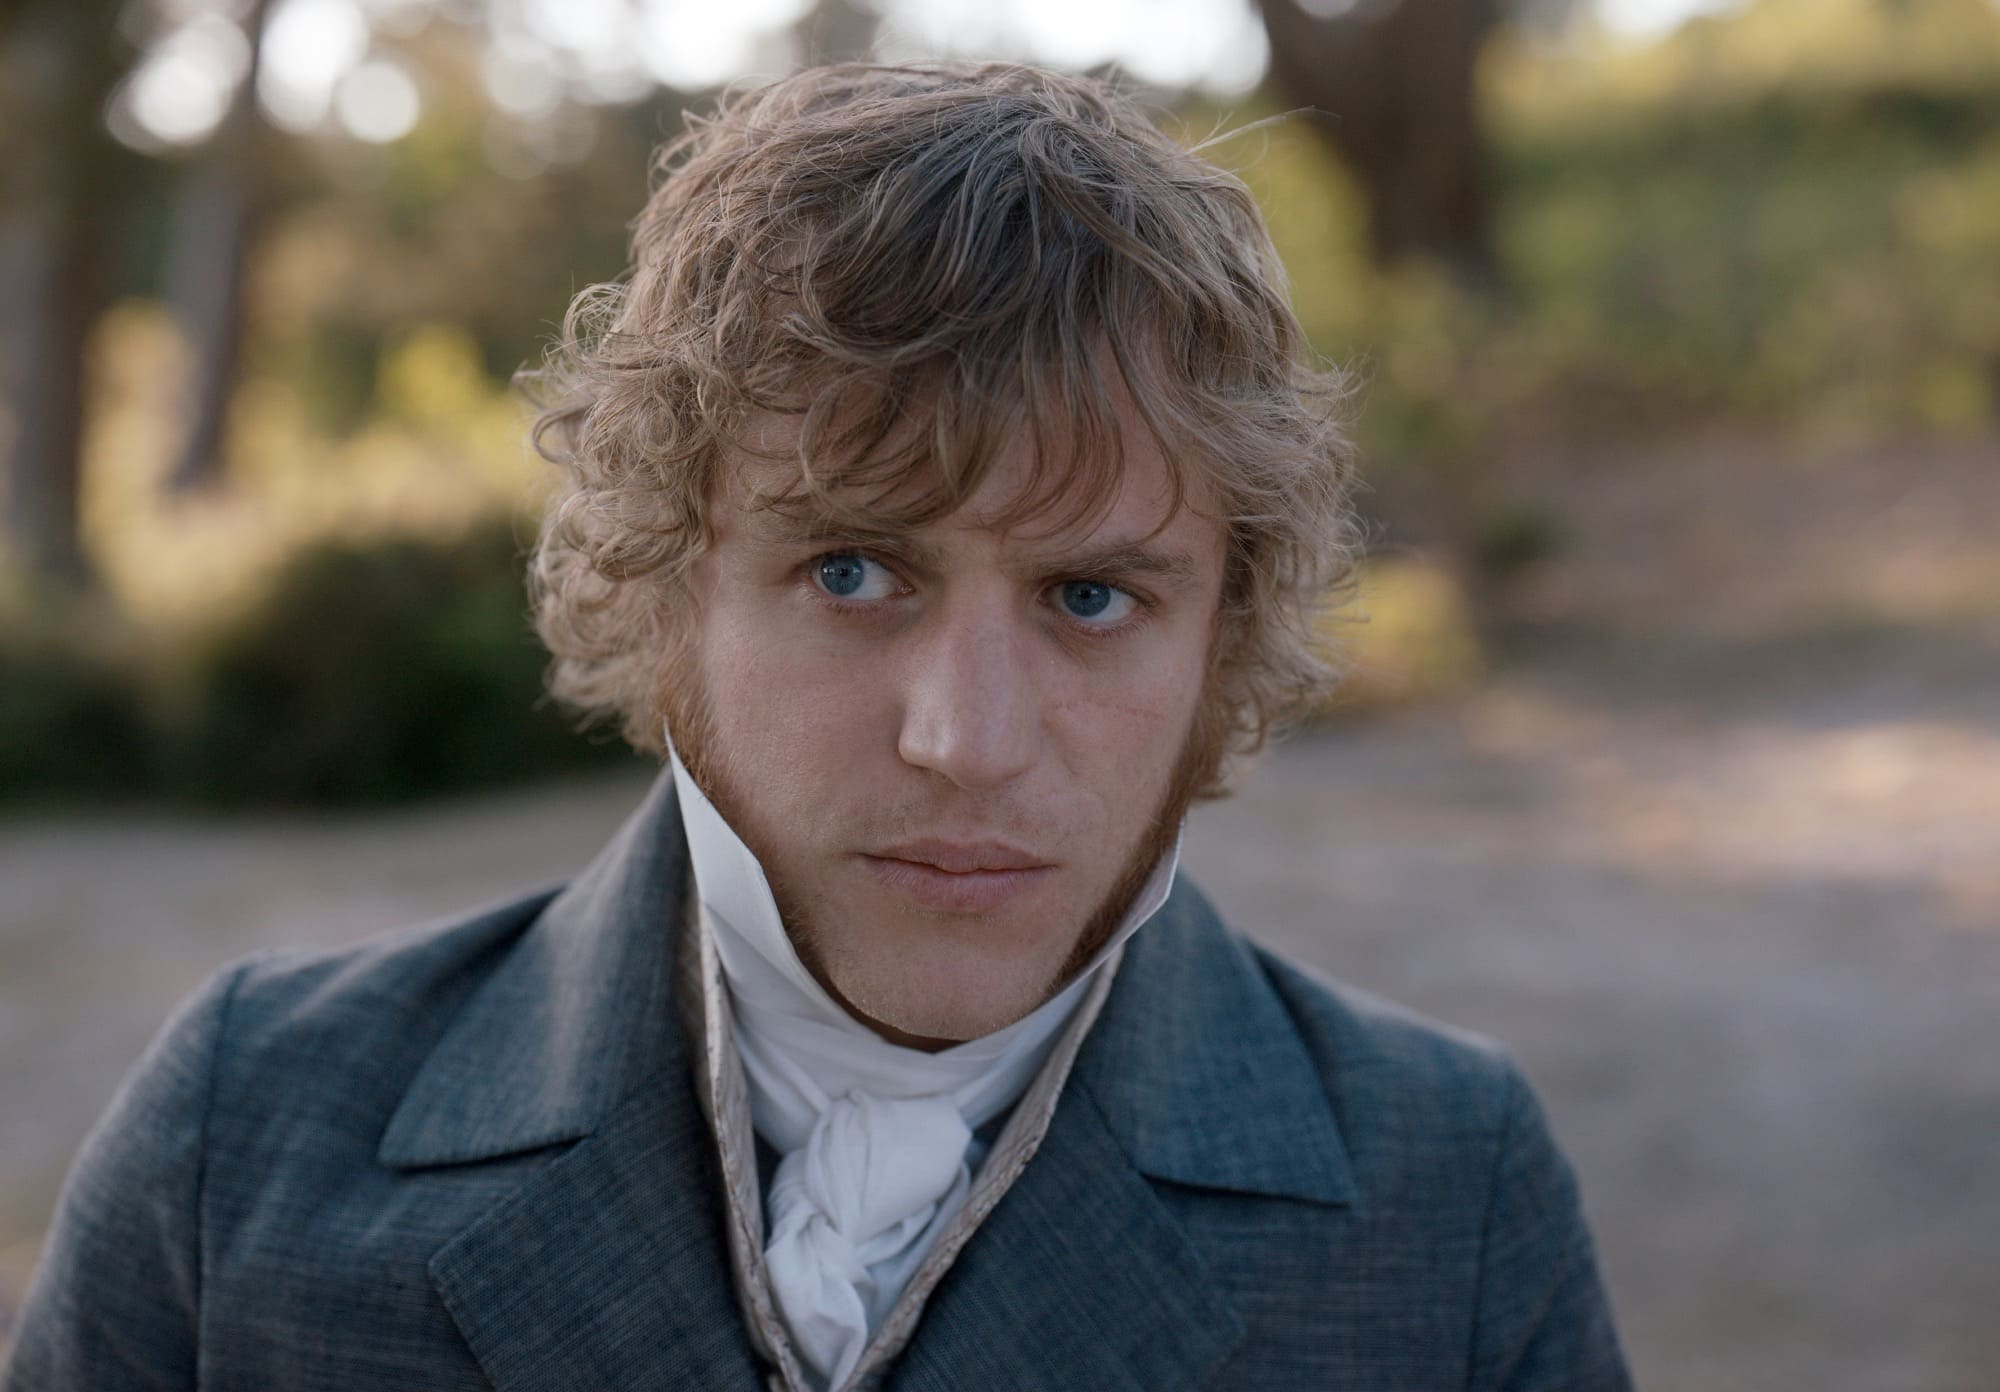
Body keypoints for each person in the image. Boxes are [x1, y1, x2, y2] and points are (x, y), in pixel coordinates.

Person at [5, 62, 1632, 1392]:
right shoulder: (248, 1139)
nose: (967, 740)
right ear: (666, 588)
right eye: (853, 572)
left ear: (1222, 638)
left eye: (1090, 596)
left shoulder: (1446, 1195)